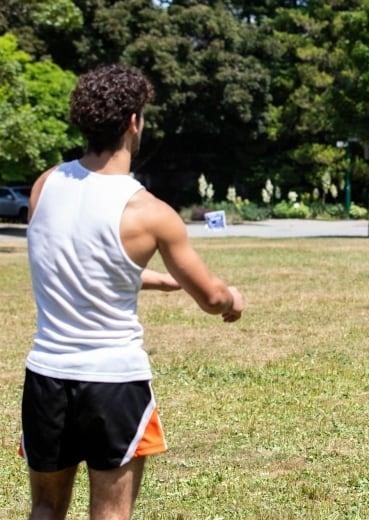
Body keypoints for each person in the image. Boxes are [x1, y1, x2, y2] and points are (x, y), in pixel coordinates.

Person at [20, 63, 245, 519]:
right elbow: (211, 298)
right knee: (111, 515)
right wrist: (232, 299)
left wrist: (151, 278)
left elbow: (70, 259)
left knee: (45, 508)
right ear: (133, 122)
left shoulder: (45, 185)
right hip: (114, 384)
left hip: (46, 377)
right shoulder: (148, 212)